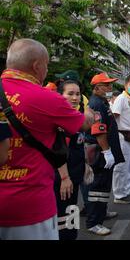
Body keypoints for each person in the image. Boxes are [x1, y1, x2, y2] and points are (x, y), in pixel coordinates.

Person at [0, 39, 92, 240]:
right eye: (47, 64)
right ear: (36, 66)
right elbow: (84, 124)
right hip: (29, 208)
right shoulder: (46, 99)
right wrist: (88, 110)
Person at [85, 72, 125, 236]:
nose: (110, 88)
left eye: (110, 85)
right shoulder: (96, 104)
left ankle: (102, 212)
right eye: (107, 85)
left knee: (104, 185)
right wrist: (107, 152)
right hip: (100, 152)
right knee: (98, 186)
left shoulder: (102, 102)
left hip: (104, 151)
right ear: (97, 88)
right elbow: (99, 130)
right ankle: (94, 222)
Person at [54, 80, 88, 240]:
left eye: (77, 94)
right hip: (63, 180)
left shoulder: (75, 116)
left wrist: (86, 164)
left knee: (71, 215)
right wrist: (64, 178)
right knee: (63, 220)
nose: (75, 98)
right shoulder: (60, 120)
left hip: (74, 176)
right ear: (60, 95)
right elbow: (59, 153)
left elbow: (79, 145)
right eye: (70, 94)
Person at [111, 75, 130, 204]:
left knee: (129, 165)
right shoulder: (121, 99)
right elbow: (114, 116)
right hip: (122, 136)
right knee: (121, 166)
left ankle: (127, 191)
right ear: (125, 85)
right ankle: (119, 194)